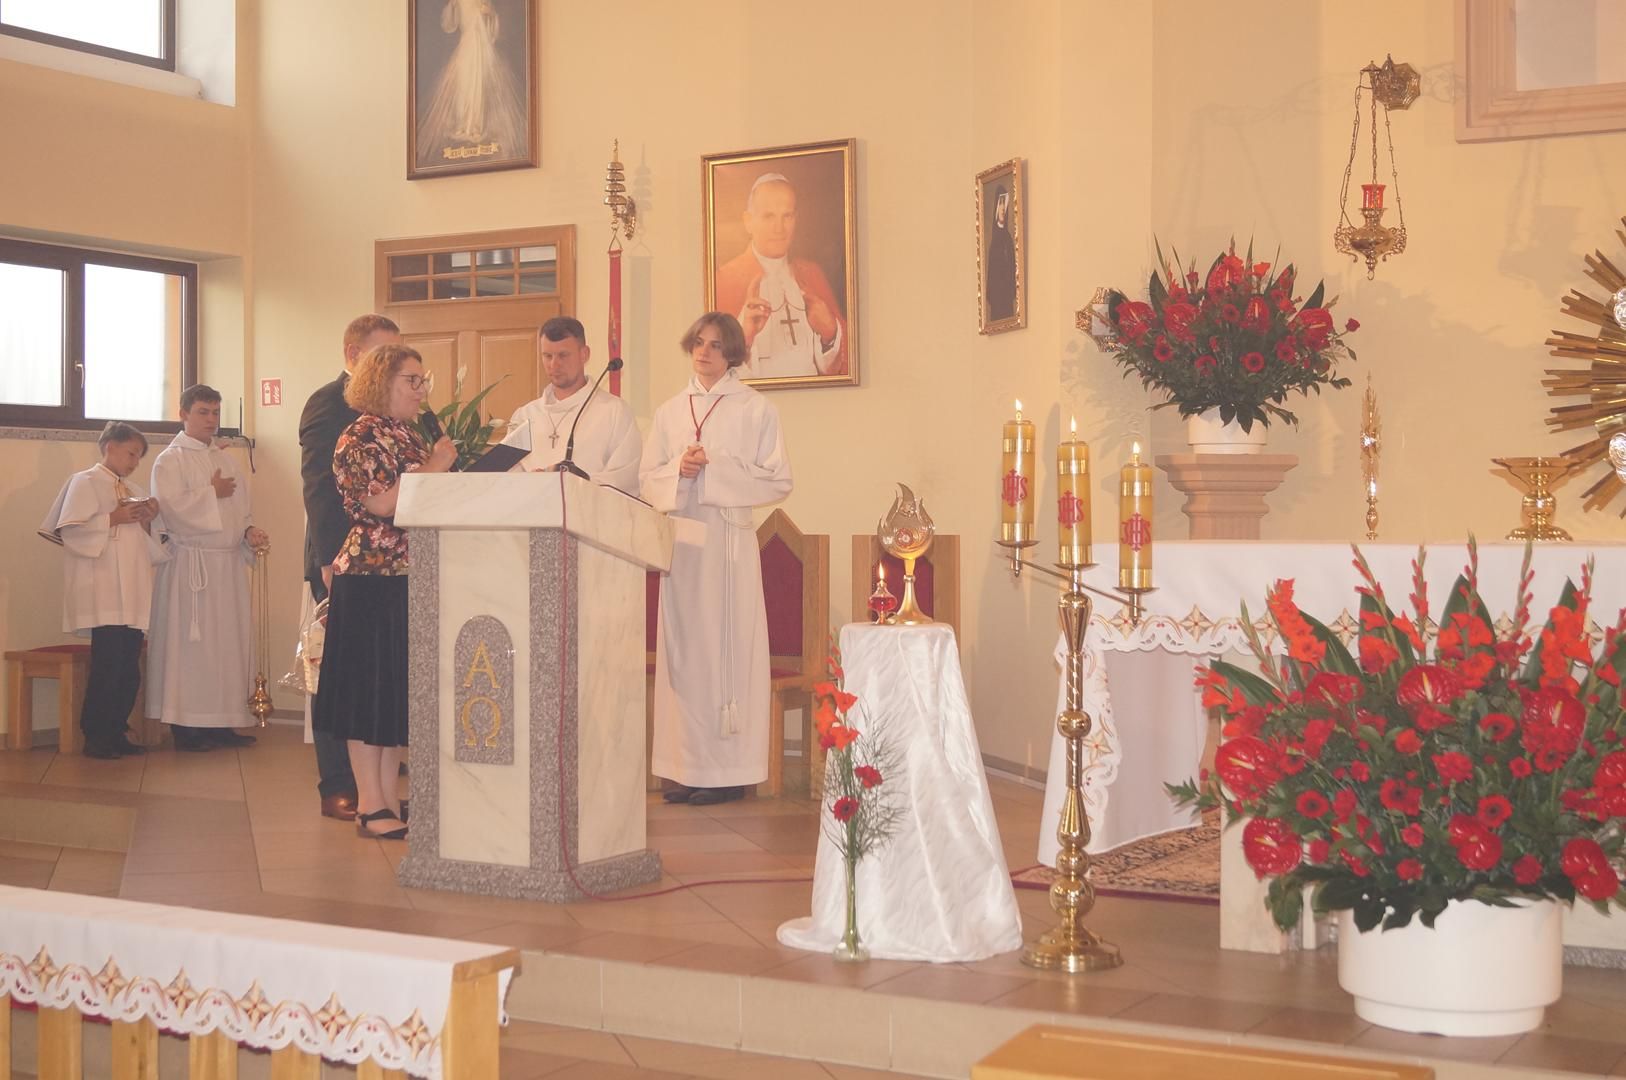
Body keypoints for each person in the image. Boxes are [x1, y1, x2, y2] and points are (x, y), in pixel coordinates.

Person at [640, 313, 793, 805]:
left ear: (732, 354)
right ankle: (686, 768)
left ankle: (728, 774)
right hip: (684, 546)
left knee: (725, 653)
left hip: (728, 546)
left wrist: (716, 469)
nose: (704, 353)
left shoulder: (755, 409)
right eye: (699, 344)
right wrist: (678, 470)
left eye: (715, 346)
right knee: (685, 654)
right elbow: (646, 479)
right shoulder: (669, 412)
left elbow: (778, 479)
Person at [313, 344, 457, 839]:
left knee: (393, 694)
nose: (421, 390)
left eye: (422, 380)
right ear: (381, 383)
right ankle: (370, 804)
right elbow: (383, 503)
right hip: (370, 577)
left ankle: (389, 799)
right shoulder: (361, 435)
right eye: (411, 381)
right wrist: (437, 466)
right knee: (366, 694)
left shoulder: (406, 434)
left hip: (408, 573)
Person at [298, 314, 400, 819]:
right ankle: (336, 782)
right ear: (354, 355)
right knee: (336, 671)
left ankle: (376, 785)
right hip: (342, 558)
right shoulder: (329, 403)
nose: (392, 367)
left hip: (388, 564)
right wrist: (329, 559)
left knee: (376, 670)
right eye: (383, 356)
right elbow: (319, 487)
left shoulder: (395, 410)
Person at [146, 385, 267, 752]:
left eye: (215, 412)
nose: (211, 419)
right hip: (191, 567)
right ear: (183, 414)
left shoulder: (226, 460)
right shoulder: (170, 460)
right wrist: (209, 493)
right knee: (192, 649)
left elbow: (240, 511)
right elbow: (169, 510)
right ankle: (187, 727)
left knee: (228, 646)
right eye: (203, 412)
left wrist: (248, 532)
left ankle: (222, 721)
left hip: (226, 566)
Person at [38, 423, 166, 759]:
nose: (134, 462)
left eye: (138, 457)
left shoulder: (134, 489)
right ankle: (96, 735)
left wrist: (148, 517)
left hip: (131, 592)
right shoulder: (84, 481)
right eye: (131, 453)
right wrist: (113, 518)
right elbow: (71, 532)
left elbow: (145, 542)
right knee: (108, 666)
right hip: (104, 590)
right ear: (110, 447)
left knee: (128, 669)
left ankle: (116, 731)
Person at [714, 173, 848, 380]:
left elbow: (848, 368)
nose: (779, 228)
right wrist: (744, 338)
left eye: (787, 216)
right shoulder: (725, 279)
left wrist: (830, 333)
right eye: (769, 216)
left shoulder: (812, 274)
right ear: (748, 222)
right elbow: (713, 372)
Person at [501, 316, 641, 490]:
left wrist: (567, 485)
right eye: (547, 356)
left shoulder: (615, 412)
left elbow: (624, 478)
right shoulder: (525, 416)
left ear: (584, 354)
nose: (554, 364)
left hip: (588, 507)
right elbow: (506, 474)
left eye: (563, 355)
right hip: (535, 507)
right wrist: (532, 482)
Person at [415, 0, 528, 168]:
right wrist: (453, 6)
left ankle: (476, 126)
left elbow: (492, 30)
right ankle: (463, 124)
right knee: (463, 87)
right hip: (466, 47)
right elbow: (449, 25)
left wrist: (489, 14)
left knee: (480, 87)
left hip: (482, 51)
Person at [985, 184, 1016, 322]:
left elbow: (1012, 267)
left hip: (1006, 297)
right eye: (1001, 206)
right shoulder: (994, 238)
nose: (1003, 210)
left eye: (1005, 206)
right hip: (996, 298)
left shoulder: (1008, 238)